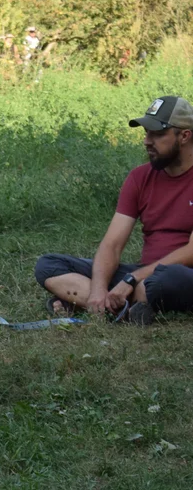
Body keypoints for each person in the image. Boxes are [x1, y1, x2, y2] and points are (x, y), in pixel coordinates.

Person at [35, 96, 193, 325]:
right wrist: (99, 289)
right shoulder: (140, 177)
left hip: (178, 275)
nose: (147, 141)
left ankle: (83, 302)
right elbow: (112, 244)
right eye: (146, 133)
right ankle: (118, 306)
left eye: (157, 134)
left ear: (185, 135)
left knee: (169, 279)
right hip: (140, 276)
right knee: (48, 264)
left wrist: (131, 279)